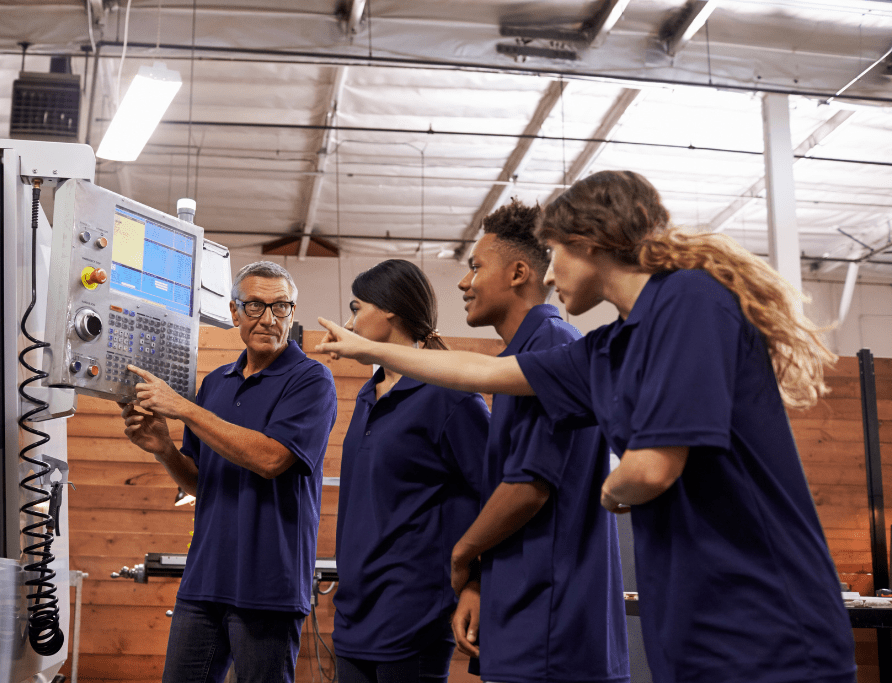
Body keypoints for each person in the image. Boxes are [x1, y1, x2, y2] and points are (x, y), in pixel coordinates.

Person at [317, 171, 856, 683]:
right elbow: (485, 370)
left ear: (591, 242)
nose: (549, 274)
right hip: (689, 618)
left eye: (555, 255)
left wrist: (609, 489)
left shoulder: (689, 297)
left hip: (766, 617)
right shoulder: (610, 347)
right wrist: (369, 347)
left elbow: (650, 469)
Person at [121, 261, 338, 683]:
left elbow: (272, 459)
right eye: (255, 306)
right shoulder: (216, 384)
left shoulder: (312, 380)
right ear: (235, 312)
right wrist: (164, 448)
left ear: (292, 313)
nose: (269, 319)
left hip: (269, 584)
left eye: (281, 307)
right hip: (204, 579)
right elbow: (199, 481)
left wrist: (183, 408)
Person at [450, 199, 628, 683]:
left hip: (553, 627)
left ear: (518, 273)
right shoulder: (521, 357)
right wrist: (480, 585)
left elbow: (529, 488)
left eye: (475, 268)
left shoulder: (553, 346)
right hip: (522, 614)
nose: (464, 283)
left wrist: (462, 554)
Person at [331, 259, 490, 683]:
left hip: (413, 615)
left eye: (357, 306)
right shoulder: (368, 395)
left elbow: (494, 497)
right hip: (352, 614)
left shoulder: (450, 397)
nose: (350, 321)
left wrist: (475, 583)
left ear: (390, 310)